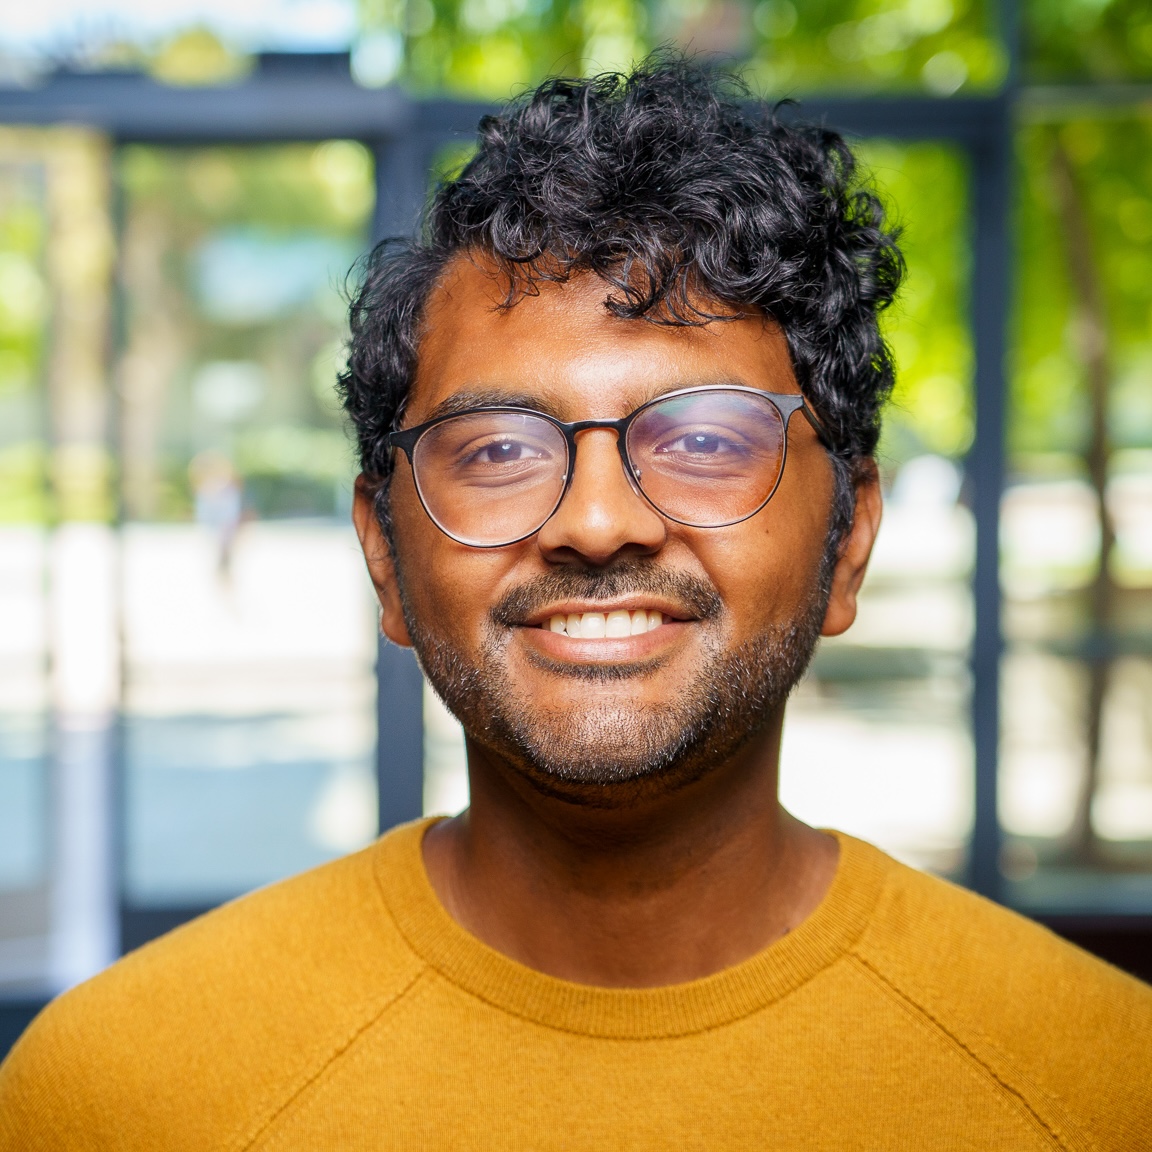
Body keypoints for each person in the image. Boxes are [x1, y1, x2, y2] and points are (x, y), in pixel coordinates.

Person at [2, 57, 1150, 1150]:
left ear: (849, 540)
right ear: (385, 556)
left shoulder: (1107, 1085)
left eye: (707, 440)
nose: (598, 522)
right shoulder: (116, 1094)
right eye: (499, 448)